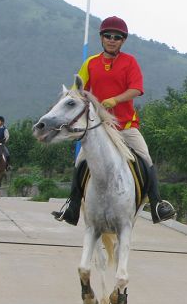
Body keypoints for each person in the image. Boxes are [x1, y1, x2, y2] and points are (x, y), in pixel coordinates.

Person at [52, 16, 175, 225]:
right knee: (80, 162)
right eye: (108, 36)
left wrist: (115, 99)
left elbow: (136, 88)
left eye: (117, 37)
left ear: (123, 41)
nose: (112, 39)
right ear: (101, 38)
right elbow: (76, 92)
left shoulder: (130, 62)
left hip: (125, 127)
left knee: (146, 158)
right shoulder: (90, 63)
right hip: (99, 128)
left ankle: (157, 204)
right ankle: (72, 207)